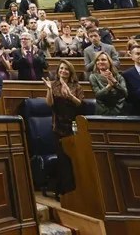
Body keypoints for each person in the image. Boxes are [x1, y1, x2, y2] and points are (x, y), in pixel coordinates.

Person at [42, 60, 83, 194]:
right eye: (61, 68)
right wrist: (49, 89)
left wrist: (70, 96)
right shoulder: (54, 85)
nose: (63, 71)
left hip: (73, 125)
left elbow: (79, 104)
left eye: (66, 69)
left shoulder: (76, 86)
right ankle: (65, 191)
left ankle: (76, 189)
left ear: (70, 72)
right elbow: (49, 104)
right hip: (58, 126)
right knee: (63, 160)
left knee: (74, 159)